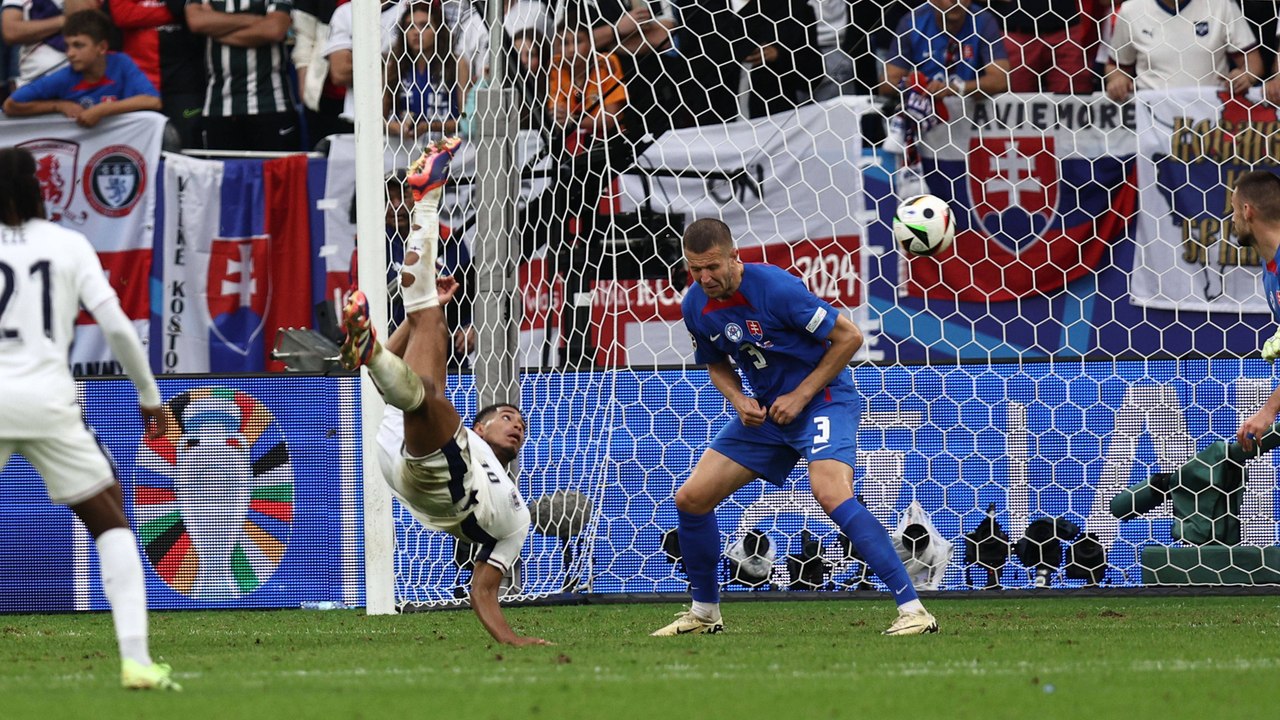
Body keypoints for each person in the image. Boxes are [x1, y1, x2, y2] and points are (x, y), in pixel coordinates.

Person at [652, 218, 938, 637]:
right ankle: (704, 614)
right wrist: (739, 400)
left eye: (712, 267)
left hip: (822, 401)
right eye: (695, 269)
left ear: (735, 256)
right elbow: (716, 363)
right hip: (769, 416)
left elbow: (850, 337)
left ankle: (914, 610)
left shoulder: (776, 289)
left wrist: (801, 395)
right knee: (692, 498)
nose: (704, 278)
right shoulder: (695, 303)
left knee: (830, 492)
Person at [339, 137, 550, 647]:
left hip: (442, 493)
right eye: (509, 419)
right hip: (412, 458)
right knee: (428, 313)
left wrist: (511, 638)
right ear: (480, 428)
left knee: (425, 391)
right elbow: (384, 375)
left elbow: (483, 587)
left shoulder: (517, 521)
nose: (517, 425)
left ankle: (427, 205)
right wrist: (396, 335)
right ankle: (427, 199)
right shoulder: (469, 444)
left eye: (518, 423)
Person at [0, 146, 179, 690]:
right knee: (109, 520)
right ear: (37, 188)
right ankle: (136, 661)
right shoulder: (67, 245)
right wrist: (149, 396)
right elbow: (120, 328)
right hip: (49, 402)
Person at [3, 9, 160, 126]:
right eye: (67, 46)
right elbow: (11, 105)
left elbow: (153, 101)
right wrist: (59, 105)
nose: (70, 54)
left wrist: (101, 110)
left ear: (102, 47)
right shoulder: (65, 76)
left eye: (78, 46)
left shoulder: (121, 63)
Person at [185, 0, 298, 151]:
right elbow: (196, 22)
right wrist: (256, 19)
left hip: (270, 104)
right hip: (218, 106)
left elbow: (274, 29)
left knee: (273, 173)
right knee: (224, 173)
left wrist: (216, 28)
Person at [1104, 0, 1260, 102]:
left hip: (1211, 115)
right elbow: (1116, 66)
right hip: (1154, 117)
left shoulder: (1221, 5)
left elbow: (1253, 63)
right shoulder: (1131, 10)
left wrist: (1246, 76)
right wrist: (1117, 80)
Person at [105, 0, 207, 148]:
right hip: (141, 86)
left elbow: (198, 16)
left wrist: (186, 15)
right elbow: (123, 15)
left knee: (188, 145)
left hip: (185, 84)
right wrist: (176, 14)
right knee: (141, 149)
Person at [1233, 170, 1280, 451]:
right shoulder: (1269, 267)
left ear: (1247, 211)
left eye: (1233, 210)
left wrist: (1268, 411)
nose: (1233, 219)